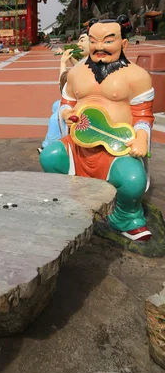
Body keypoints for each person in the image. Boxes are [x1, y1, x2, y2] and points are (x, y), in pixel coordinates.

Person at [40, 16, 154, 242]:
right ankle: (73, 202)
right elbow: (67, 103)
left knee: (133, 180)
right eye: (94, 41)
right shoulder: (76, 72)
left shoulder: (137, 76)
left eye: (108, 41)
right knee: (49, 158)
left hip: (116, 147)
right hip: (79, 144)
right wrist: (66, 115)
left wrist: (141, 138)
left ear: (124, 44)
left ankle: (124, 217)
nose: (99, 47)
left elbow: (144, 114)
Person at [38, 32, 90, 153]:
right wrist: (70, 57)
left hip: (85, 102)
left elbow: (64, 87)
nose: (78, 44)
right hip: (81, 99)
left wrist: (63, 62)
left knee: (55, 117)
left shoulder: (90, 63)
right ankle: (61, 137)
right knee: (56, 105)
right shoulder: (86, 61)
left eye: (82, 40)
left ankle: (49, 146)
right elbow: (78, 68)